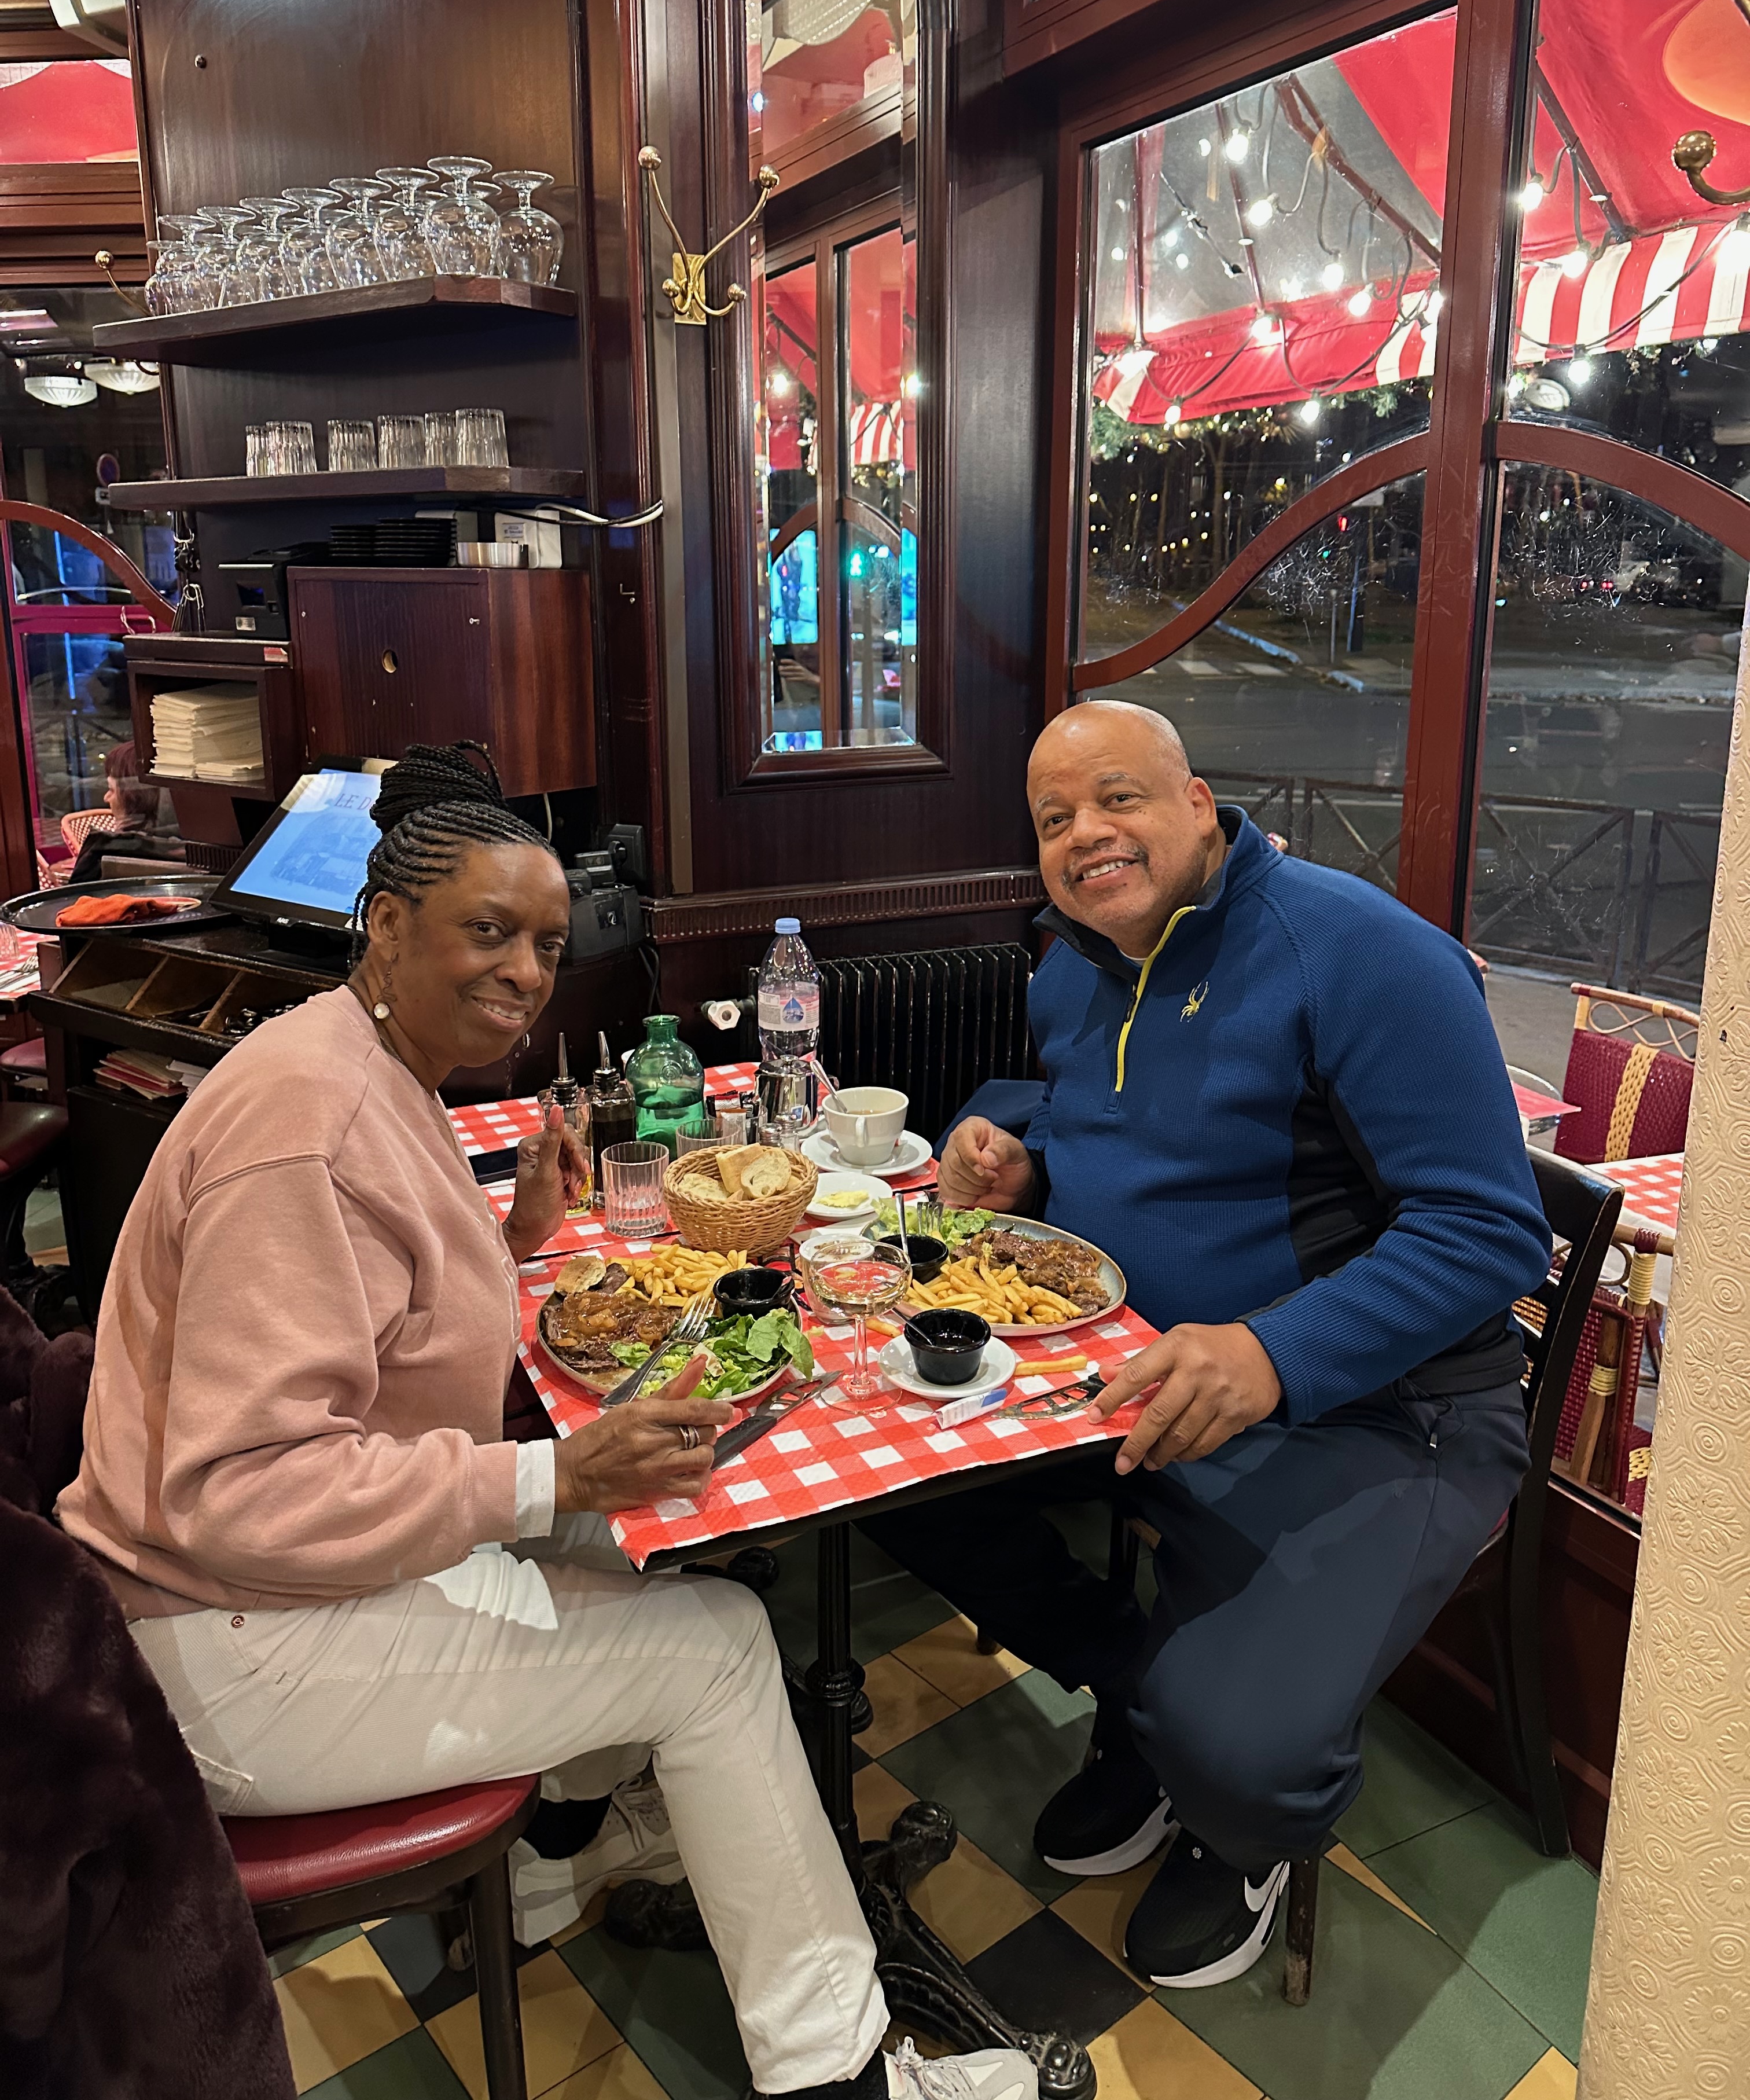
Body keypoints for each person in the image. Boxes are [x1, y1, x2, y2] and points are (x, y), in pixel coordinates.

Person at [58, 741, 1032, 2100]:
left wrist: (514, 1228)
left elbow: (379, 1314)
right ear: (386, 926)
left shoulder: (353, 1061)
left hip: (255, 1595)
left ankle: (555, 1859)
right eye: (487, 933)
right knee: (716, 1644)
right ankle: (844, 2075)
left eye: (544, 943)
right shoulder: (309, 1124)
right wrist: (544, 1477)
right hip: (220, 1651)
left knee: (648, 1547)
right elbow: (242, 1492)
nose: (524, 971)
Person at [863, 702, 1550, 1990]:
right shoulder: (1072, 959)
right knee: (891, 1484)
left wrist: (1273, 1355)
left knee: (1238, 1744)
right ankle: (1142, 1706)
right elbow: (1106, 1116)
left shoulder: (1365, 955)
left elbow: (1490, 1231)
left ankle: (1235, 1823)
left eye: (1116, 798)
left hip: (1385, 1411)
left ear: (1197, 802)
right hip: (1138, 1372)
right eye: (1055, 819)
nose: (1086, 835)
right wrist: (1018, 1154)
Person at [69, 740, 185, 882]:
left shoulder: (103, 855)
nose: (106, 798)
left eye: (112, 789)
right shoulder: (199, 851)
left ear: (135, 798)